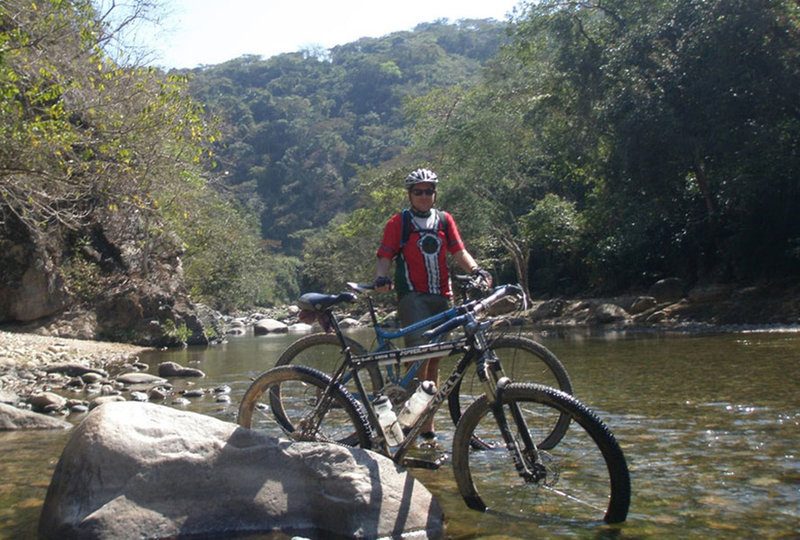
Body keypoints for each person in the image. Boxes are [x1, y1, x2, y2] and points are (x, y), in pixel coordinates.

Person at [374, 167, 491, 439]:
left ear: (434, 194)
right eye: (419, 192)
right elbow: (385, 256)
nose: (424, 196)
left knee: (435, 362)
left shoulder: (444, 220)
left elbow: (459, 251)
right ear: (410, 194)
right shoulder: (399, 223)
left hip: (442, 296)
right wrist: (381, 278)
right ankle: (408, 426)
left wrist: (476, 271)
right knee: (417, 362)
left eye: (429, 191)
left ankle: (427, 428)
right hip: (413, 297)